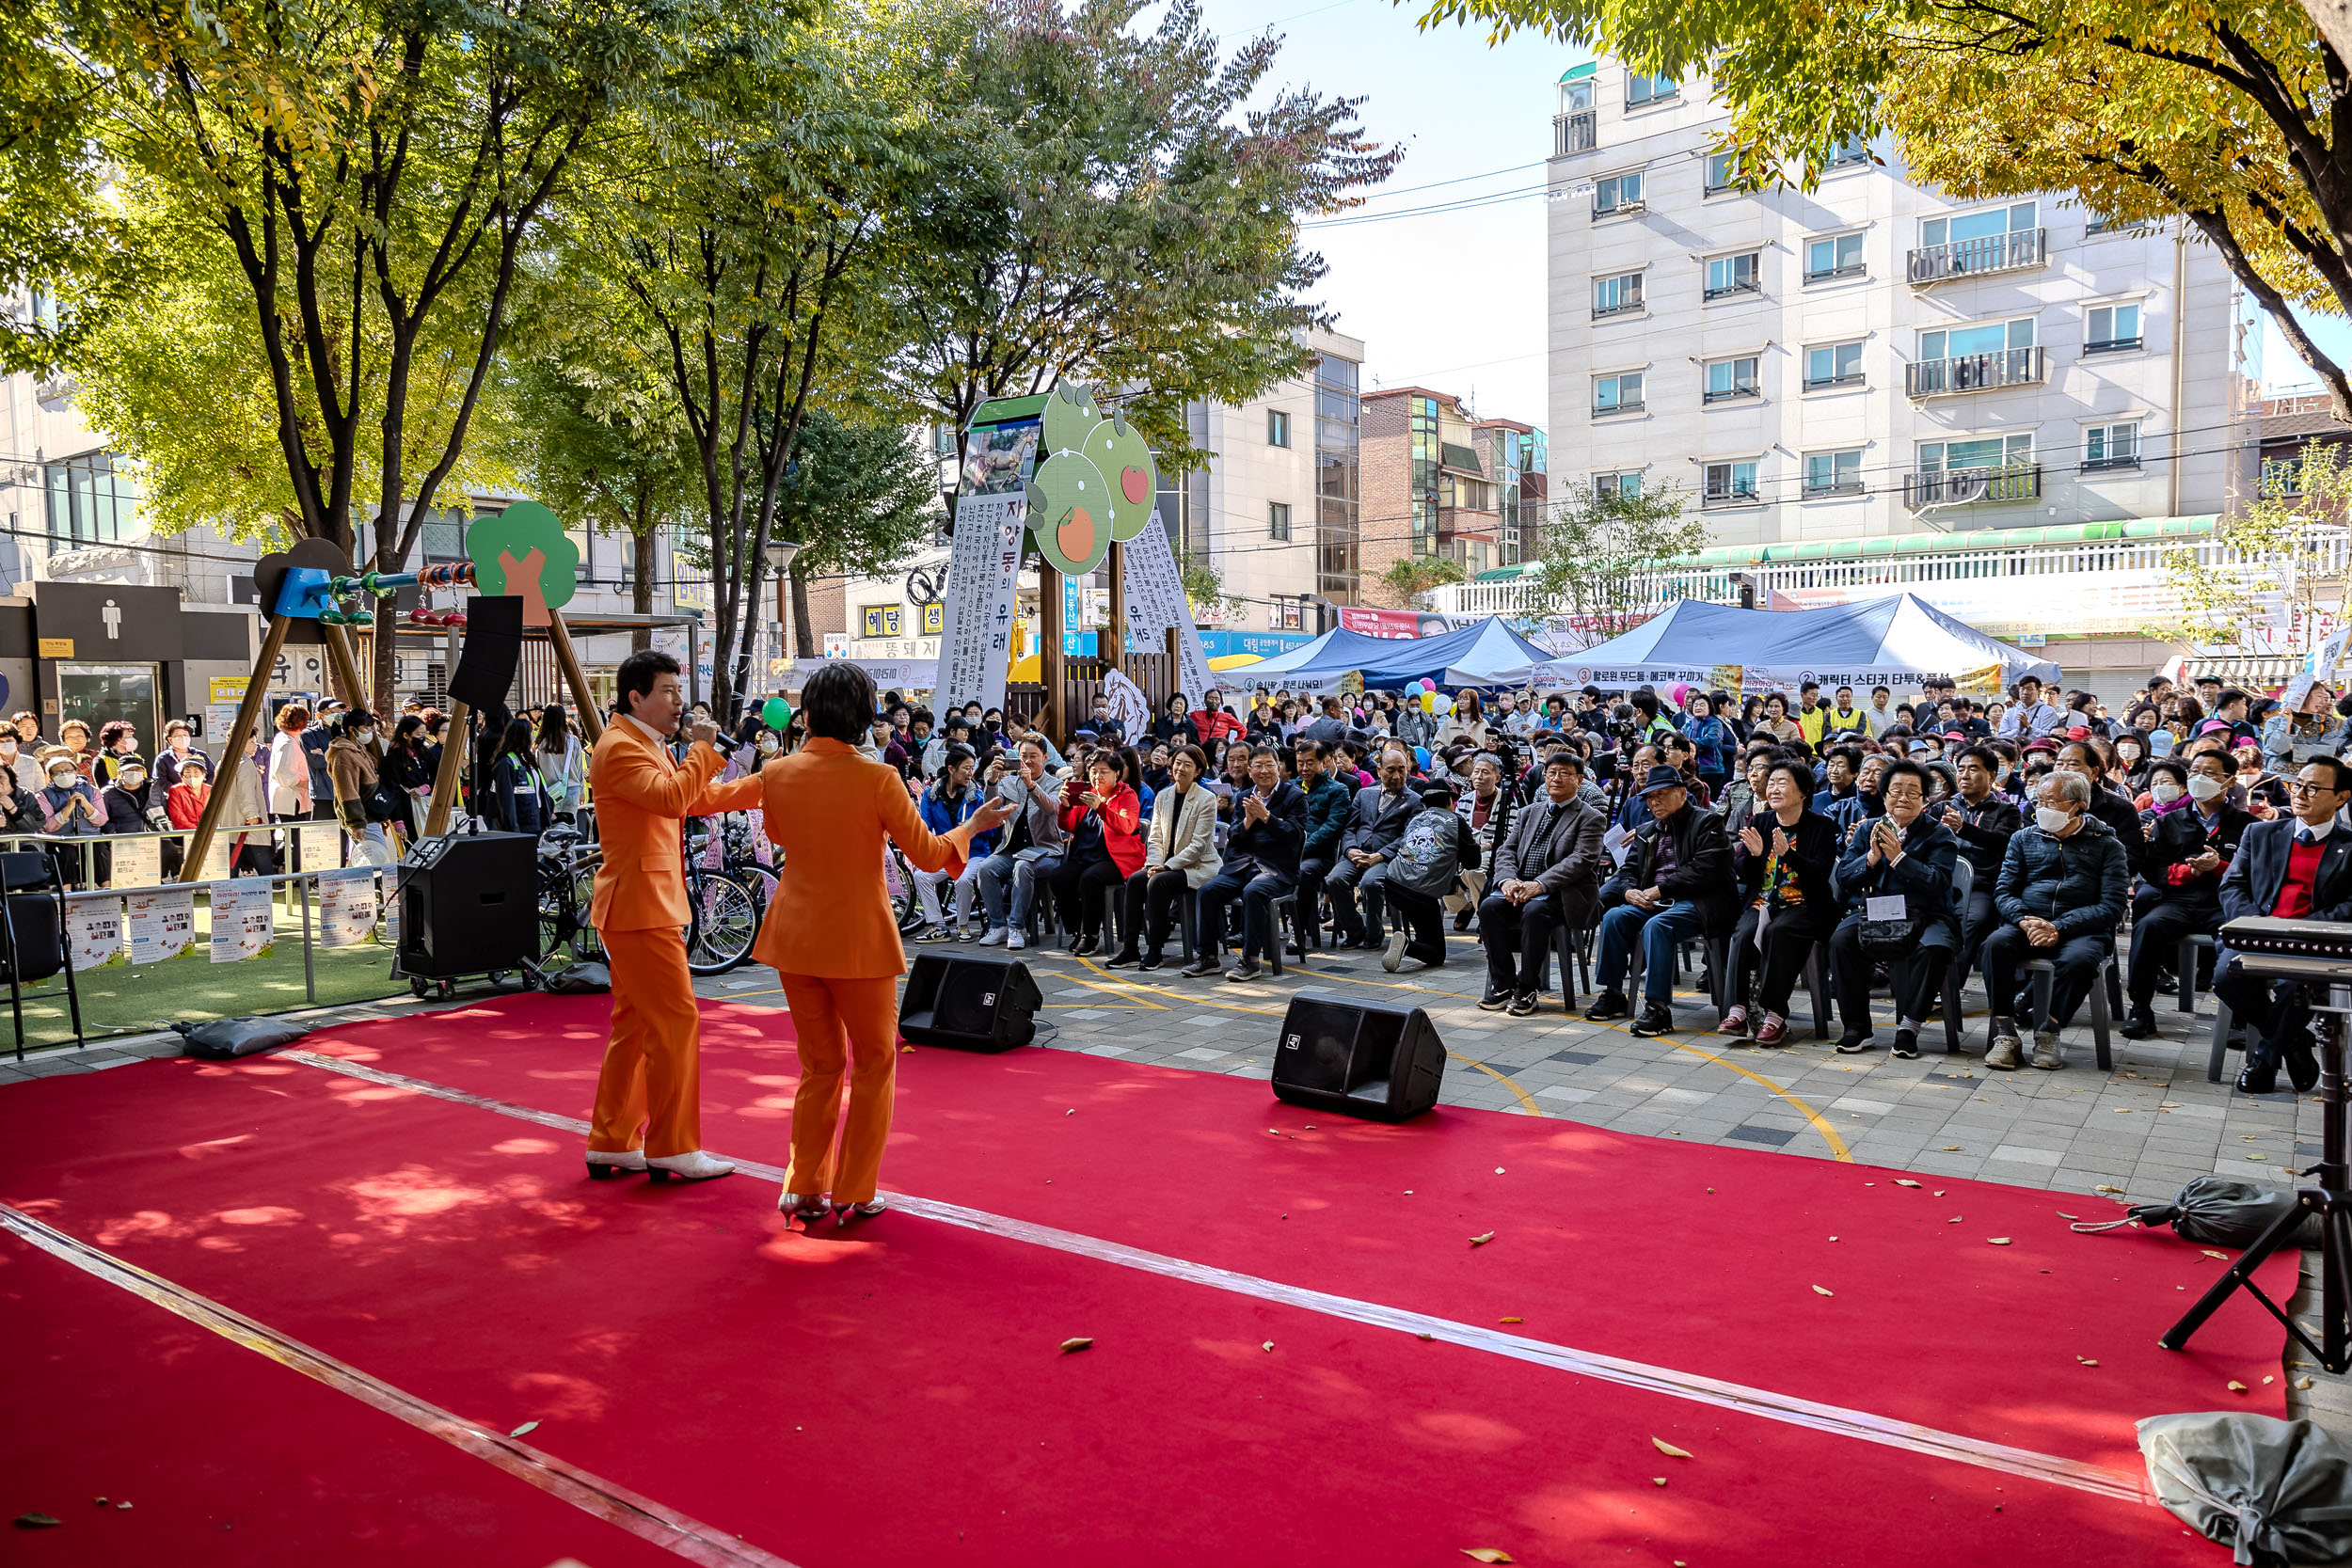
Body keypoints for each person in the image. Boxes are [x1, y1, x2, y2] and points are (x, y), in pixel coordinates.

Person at [728, 662, 1013, 1222]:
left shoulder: (778, 773)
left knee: (820, 1065)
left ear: (807, 714)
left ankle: (804, 1184)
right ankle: (855, 1188)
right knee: (875, 1059)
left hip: (794, 935)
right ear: (864, 719)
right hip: (858, 937)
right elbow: (930, 856)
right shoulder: (878, 778)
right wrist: (973, 826)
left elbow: (781, 836)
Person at [582, 649, 770, 1184]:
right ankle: (672, 1145)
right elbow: (672, 798)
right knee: (673, 1021)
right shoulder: (620, 747)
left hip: (644, 900)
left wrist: (761, 785)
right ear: (635, 696)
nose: (678, 701)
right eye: (668, 691)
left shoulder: (643, 744)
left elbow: (692, 798)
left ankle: (614, 1140)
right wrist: (704, 750)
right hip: (641, 902)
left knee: (638, 1025)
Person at [2214, 758, 2352, 1094]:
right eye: (2298, 785)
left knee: (2296, 988)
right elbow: (2232, 886)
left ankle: (2265, 1058)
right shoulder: (2260, 832)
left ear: (2342, 797)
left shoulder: (2349, 846)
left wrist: (2302, 929)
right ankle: (2296, 1043)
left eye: (2314, 788)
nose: (2301, 794)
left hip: (2313, 940)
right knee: (2225, 977)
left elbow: (2349, 905)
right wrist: (2255, 924)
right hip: (2256, 933)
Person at [1980, 769, 2130, 1070]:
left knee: (2080, 961)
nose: (2042, 808)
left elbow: (2112, 905)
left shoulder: (2107, 845)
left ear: (2079, 806)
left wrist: (2059, 927)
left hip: (2082, 929)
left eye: (2052, 802)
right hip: (2028, 923)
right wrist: (2024, 920)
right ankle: (2006, 1034)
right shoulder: (2023, 839)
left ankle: (2049, 1031)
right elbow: (2004, 891)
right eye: (2039, 801)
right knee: (1995, 945)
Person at [1586, 764, 1738, 1037]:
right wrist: (1628, 891)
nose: (1655, 801)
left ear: (1682, 793)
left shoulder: (1707, 822)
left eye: (1662, 794)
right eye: (1650, 797)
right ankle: (1613, 994)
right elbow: (1629, 871)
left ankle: (1658, 1007)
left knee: (1658, 925)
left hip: (1699, 903)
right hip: (1654, 901)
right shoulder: (1646, 830)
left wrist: (1660, 890)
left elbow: (1706, 869)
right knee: (1614, 917)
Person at [1825, 760, 1960, 1057]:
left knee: (1936, 948)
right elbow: (1845, 876)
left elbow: (1938, 882)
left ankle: (1909, 1027)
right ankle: (1857, 1027)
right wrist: (1871, 859)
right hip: (1876, 910)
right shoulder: (1868, 830)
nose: (1903, 798)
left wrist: (1900, 858)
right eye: (1896, 790)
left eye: (1913, 792)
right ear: (1884, 795)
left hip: (1927, 913)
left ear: (1925, 799)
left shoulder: (1939, 835)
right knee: (1840, 941)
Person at [2122, 752, 2253, 1038]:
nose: (2198, 779)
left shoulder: (2247, 826)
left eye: (2209, 773)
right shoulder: (2169, 822)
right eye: (2194, 772)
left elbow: (2255, 874)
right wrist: (2187, 872)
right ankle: (2141, 1009)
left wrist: (2219, 867)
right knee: (2147, 927)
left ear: (2229, 781)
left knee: (2235, 941)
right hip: (2179, 901)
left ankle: (2239, 1015)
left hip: (2223, 904)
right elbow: (2153, 869)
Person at [1722, 758, 1840, 1045]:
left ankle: (1775, 1014)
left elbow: (1819, 875)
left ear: (1803, 792)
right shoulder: (1761, 821)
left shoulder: (1821, 827)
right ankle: (1737, 1010)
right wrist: (1755, 855)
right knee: (1744, 933)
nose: (1773, 788)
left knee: (1779, 932)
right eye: (1771, 782)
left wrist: (1789, 855)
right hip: (1763, 902)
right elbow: (1742, 872)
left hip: (1805, 905)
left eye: (1782, 782)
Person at [1477, 751, 1604, 1014]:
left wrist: (1540, 884)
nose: (1557, 778)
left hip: (1564, 895)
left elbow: (1581, 861)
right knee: (1489, 907)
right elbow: (1506, 850)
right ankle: (1503, 984)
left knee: (1535, 911)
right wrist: (1507, 881)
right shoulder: (1528, 812)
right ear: (1544, 777)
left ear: (1579, 780)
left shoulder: (1590, 817)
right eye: (1552, 773)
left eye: (1565, 773)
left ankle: (1527, 988)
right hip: (1520, 888)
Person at [1184, 745, 1306, 982]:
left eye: (1269, 765)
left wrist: (1267, 817)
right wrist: (1249, 821)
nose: (1264, 771)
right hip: (1243, 866)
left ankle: (1251, 960)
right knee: (1208, 890)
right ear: (1250, 771)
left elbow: (1294, 835)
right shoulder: (1243, 797)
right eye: (1258, 766)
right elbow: (1235, 838)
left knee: (1254, 891)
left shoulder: (1295, 797)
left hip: (1276, 869)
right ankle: (1208, 957)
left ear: (1278, 767)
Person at [1108, 743, 1220, 970]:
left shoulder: (1206, 799)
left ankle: (1155, 951)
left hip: (1196, 866)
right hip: (1164, 865)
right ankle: (1130, 949)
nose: (1180, 768)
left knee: (1158, 882)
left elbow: (1199, 845)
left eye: (1187, 765)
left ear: (1198, 771)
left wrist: (1167, 867)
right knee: (1135, 879)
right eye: (1177, 763)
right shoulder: (1163, 796)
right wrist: (1156, 863)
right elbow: (1155, 838)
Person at [971, 737, 1066, 950]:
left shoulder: (1056, 784)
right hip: (1011, 850)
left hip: (1046, 852)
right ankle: (998, 926)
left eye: (1033, 756)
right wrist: (993, 780)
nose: (1028, 761)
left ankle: (1016, 927)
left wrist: (1031, 785)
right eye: (1024, 756)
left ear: (1045, 757)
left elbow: (1051, 808)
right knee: (985, 869)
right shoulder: (1008, 782)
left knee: (1023, 867)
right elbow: (991, 807)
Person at [1046, 750, 1143, 955]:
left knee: (1090, 880)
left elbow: (1126, 826)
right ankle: (1078, 929)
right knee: (1058, 877)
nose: (1097, 776)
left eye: (1104, 772)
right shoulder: (1085, 792)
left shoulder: (1127, 795)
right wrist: (1066, 807)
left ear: (1117, 774)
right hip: (1083, 855)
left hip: (1116, 859)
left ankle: (1090, 936)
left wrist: (1100, 807)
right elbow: (1068, 825)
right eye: (1093, 771)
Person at [1942, 745, 2022, 990]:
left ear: (1991, 774)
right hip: (1940, 882)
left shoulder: (2005, 811)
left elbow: (2002, 843)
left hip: (1980, 887)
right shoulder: (1943, 806)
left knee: (1971, 920)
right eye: (1961, 769)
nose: (1964, 775)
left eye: (1973, 769)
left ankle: (1946, 990)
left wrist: (1964, 829)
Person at [1325, 744, 1420, 950]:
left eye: (1401, 769)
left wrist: (1380, 856)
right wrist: (1350, 850)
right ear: (1379, 770)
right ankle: (1355, 930)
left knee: (1370, 883)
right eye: (1391, 770)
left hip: (1388, 858)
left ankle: (1375, 933)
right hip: (1357, 853)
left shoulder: (1415, 801)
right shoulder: (1364, 794)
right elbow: (1349, 828)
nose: (1396, 775)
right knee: (1334, 879)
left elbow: (1408, 837)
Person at [1379, 784, 1482, 973]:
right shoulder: (1455, 821)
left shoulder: (1417, 819)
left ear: (1425, 805)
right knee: (1436, 955)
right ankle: (1406, 945)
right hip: (1420, 894)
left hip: (1393, 883)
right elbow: (1473, 862)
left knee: (1425, 929)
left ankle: (1413, 940)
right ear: (1451, 802)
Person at [911, 745, 994, 941]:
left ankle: (962, 925)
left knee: (963, 879)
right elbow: (925, 827)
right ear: (951, 769)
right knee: (921, 876)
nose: (970, 773)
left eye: (972, 768)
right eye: (966, 768)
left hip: (975, 854)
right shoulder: (931, 796)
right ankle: (937, 926)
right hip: (947, 853)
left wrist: (973, 827)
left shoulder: (977, 796)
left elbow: (990, 832)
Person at [1294, 737, 1354, 944]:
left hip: (1320, 855)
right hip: (1290, 852)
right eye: (1300, 763)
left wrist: (1300, 849)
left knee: (1303, 873)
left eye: (1310, 762)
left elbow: (1331, 828)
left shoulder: (1338, 790)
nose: (1304, 768)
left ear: (1324, 762)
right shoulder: (1291, 787)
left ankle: (1297, 931)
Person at [326, 710, 395, 866]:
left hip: (369, 814)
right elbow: (347, 791)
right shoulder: (343, 754)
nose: (370, 732)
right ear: (352, 729)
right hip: (363, 816)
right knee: (376, 859)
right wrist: (357, 822)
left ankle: (361, 889)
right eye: (367, 728)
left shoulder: (357, 748)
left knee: (364, 860)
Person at [1451, 752, 1511, 926]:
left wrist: (1484, 846)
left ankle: (1483, 917)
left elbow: (1511, 835)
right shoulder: (1464, 801)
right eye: (1476, 771)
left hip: (1492, 849)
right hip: (1467, 847)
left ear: (1497, 777)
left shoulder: (1507, 801)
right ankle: (1465, 906)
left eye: (1485, 772)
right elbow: (1457, 829)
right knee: (1438, 865)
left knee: (1474, 870)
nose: (1479, 776)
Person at [2263, 676, 2346, 772]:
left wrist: (2292, 750)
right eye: (2319, 696)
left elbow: (2327, 751)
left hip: (2313, 778)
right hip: (2281, 781)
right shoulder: (2275, 722)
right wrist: (2286, 722)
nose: (2323, 701)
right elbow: (2276, 748)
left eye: (2325, 698)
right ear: (2303, 695)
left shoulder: (2326, 722)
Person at [535, 705, 585, 822]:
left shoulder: (539, 743)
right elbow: (579, 769)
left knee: (552, 831)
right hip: (572, 789)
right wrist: (582, 791)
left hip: (549, 793)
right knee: (570, 829)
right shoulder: (573, 741)